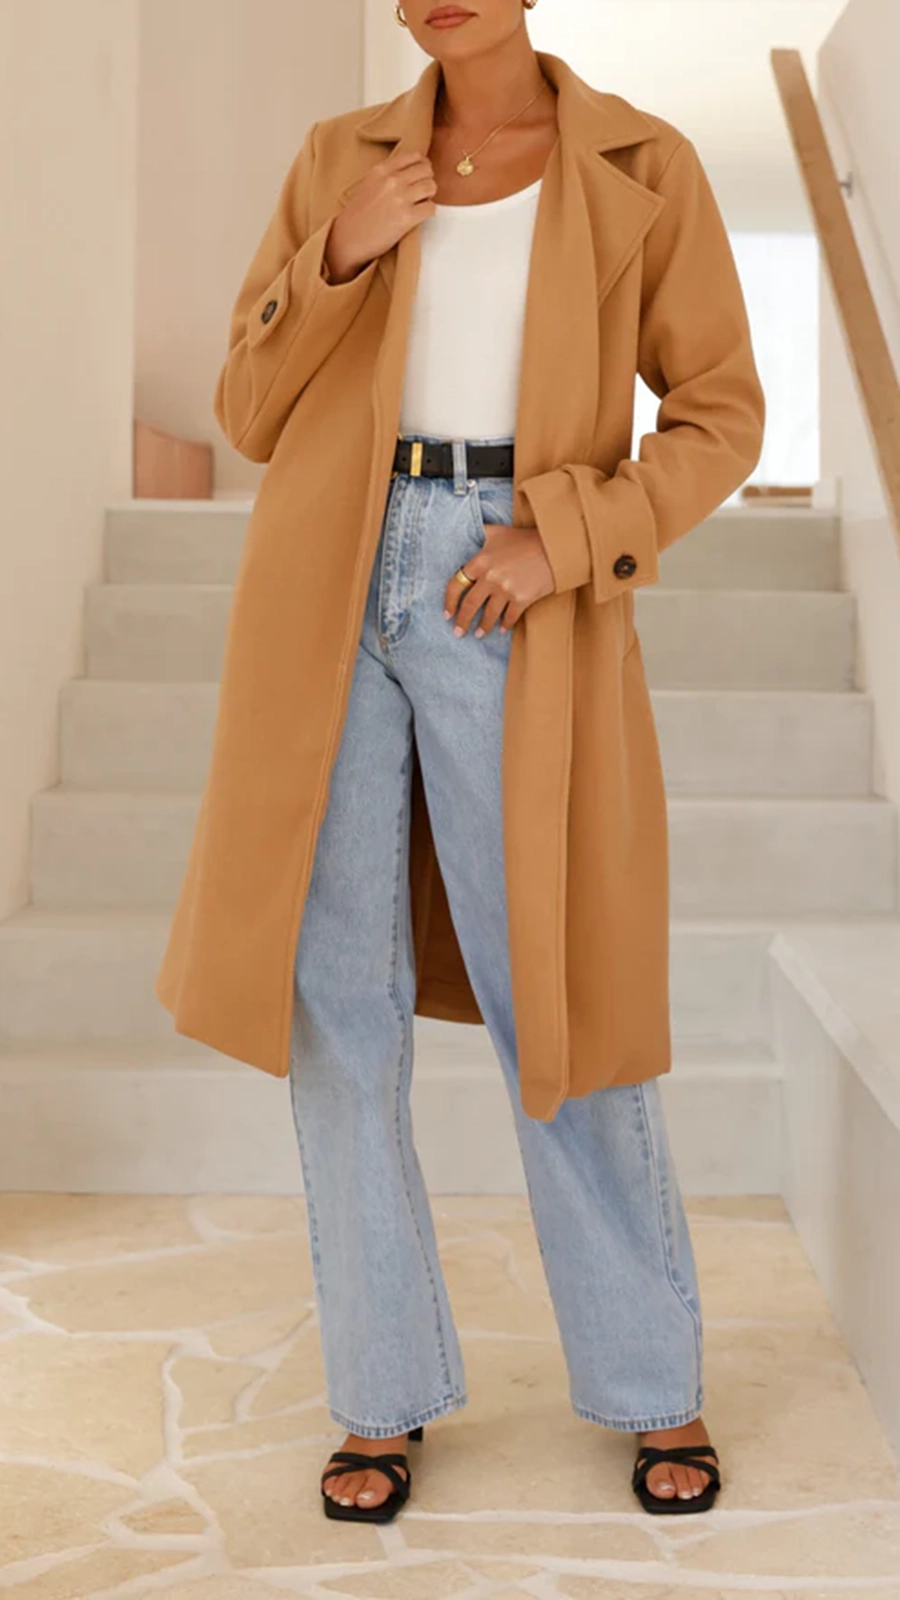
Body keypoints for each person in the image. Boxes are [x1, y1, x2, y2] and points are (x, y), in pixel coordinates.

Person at [157, 0, 765, 1526]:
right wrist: (341, 252)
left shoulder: (641, 164)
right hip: (329, 572)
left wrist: (566, 538)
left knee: (554, 981)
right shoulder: (339, 160)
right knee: (336, 999)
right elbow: (247, 408)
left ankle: (652, 1381)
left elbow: (719, 414)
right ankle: (380, 1396)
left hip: (512, 575)